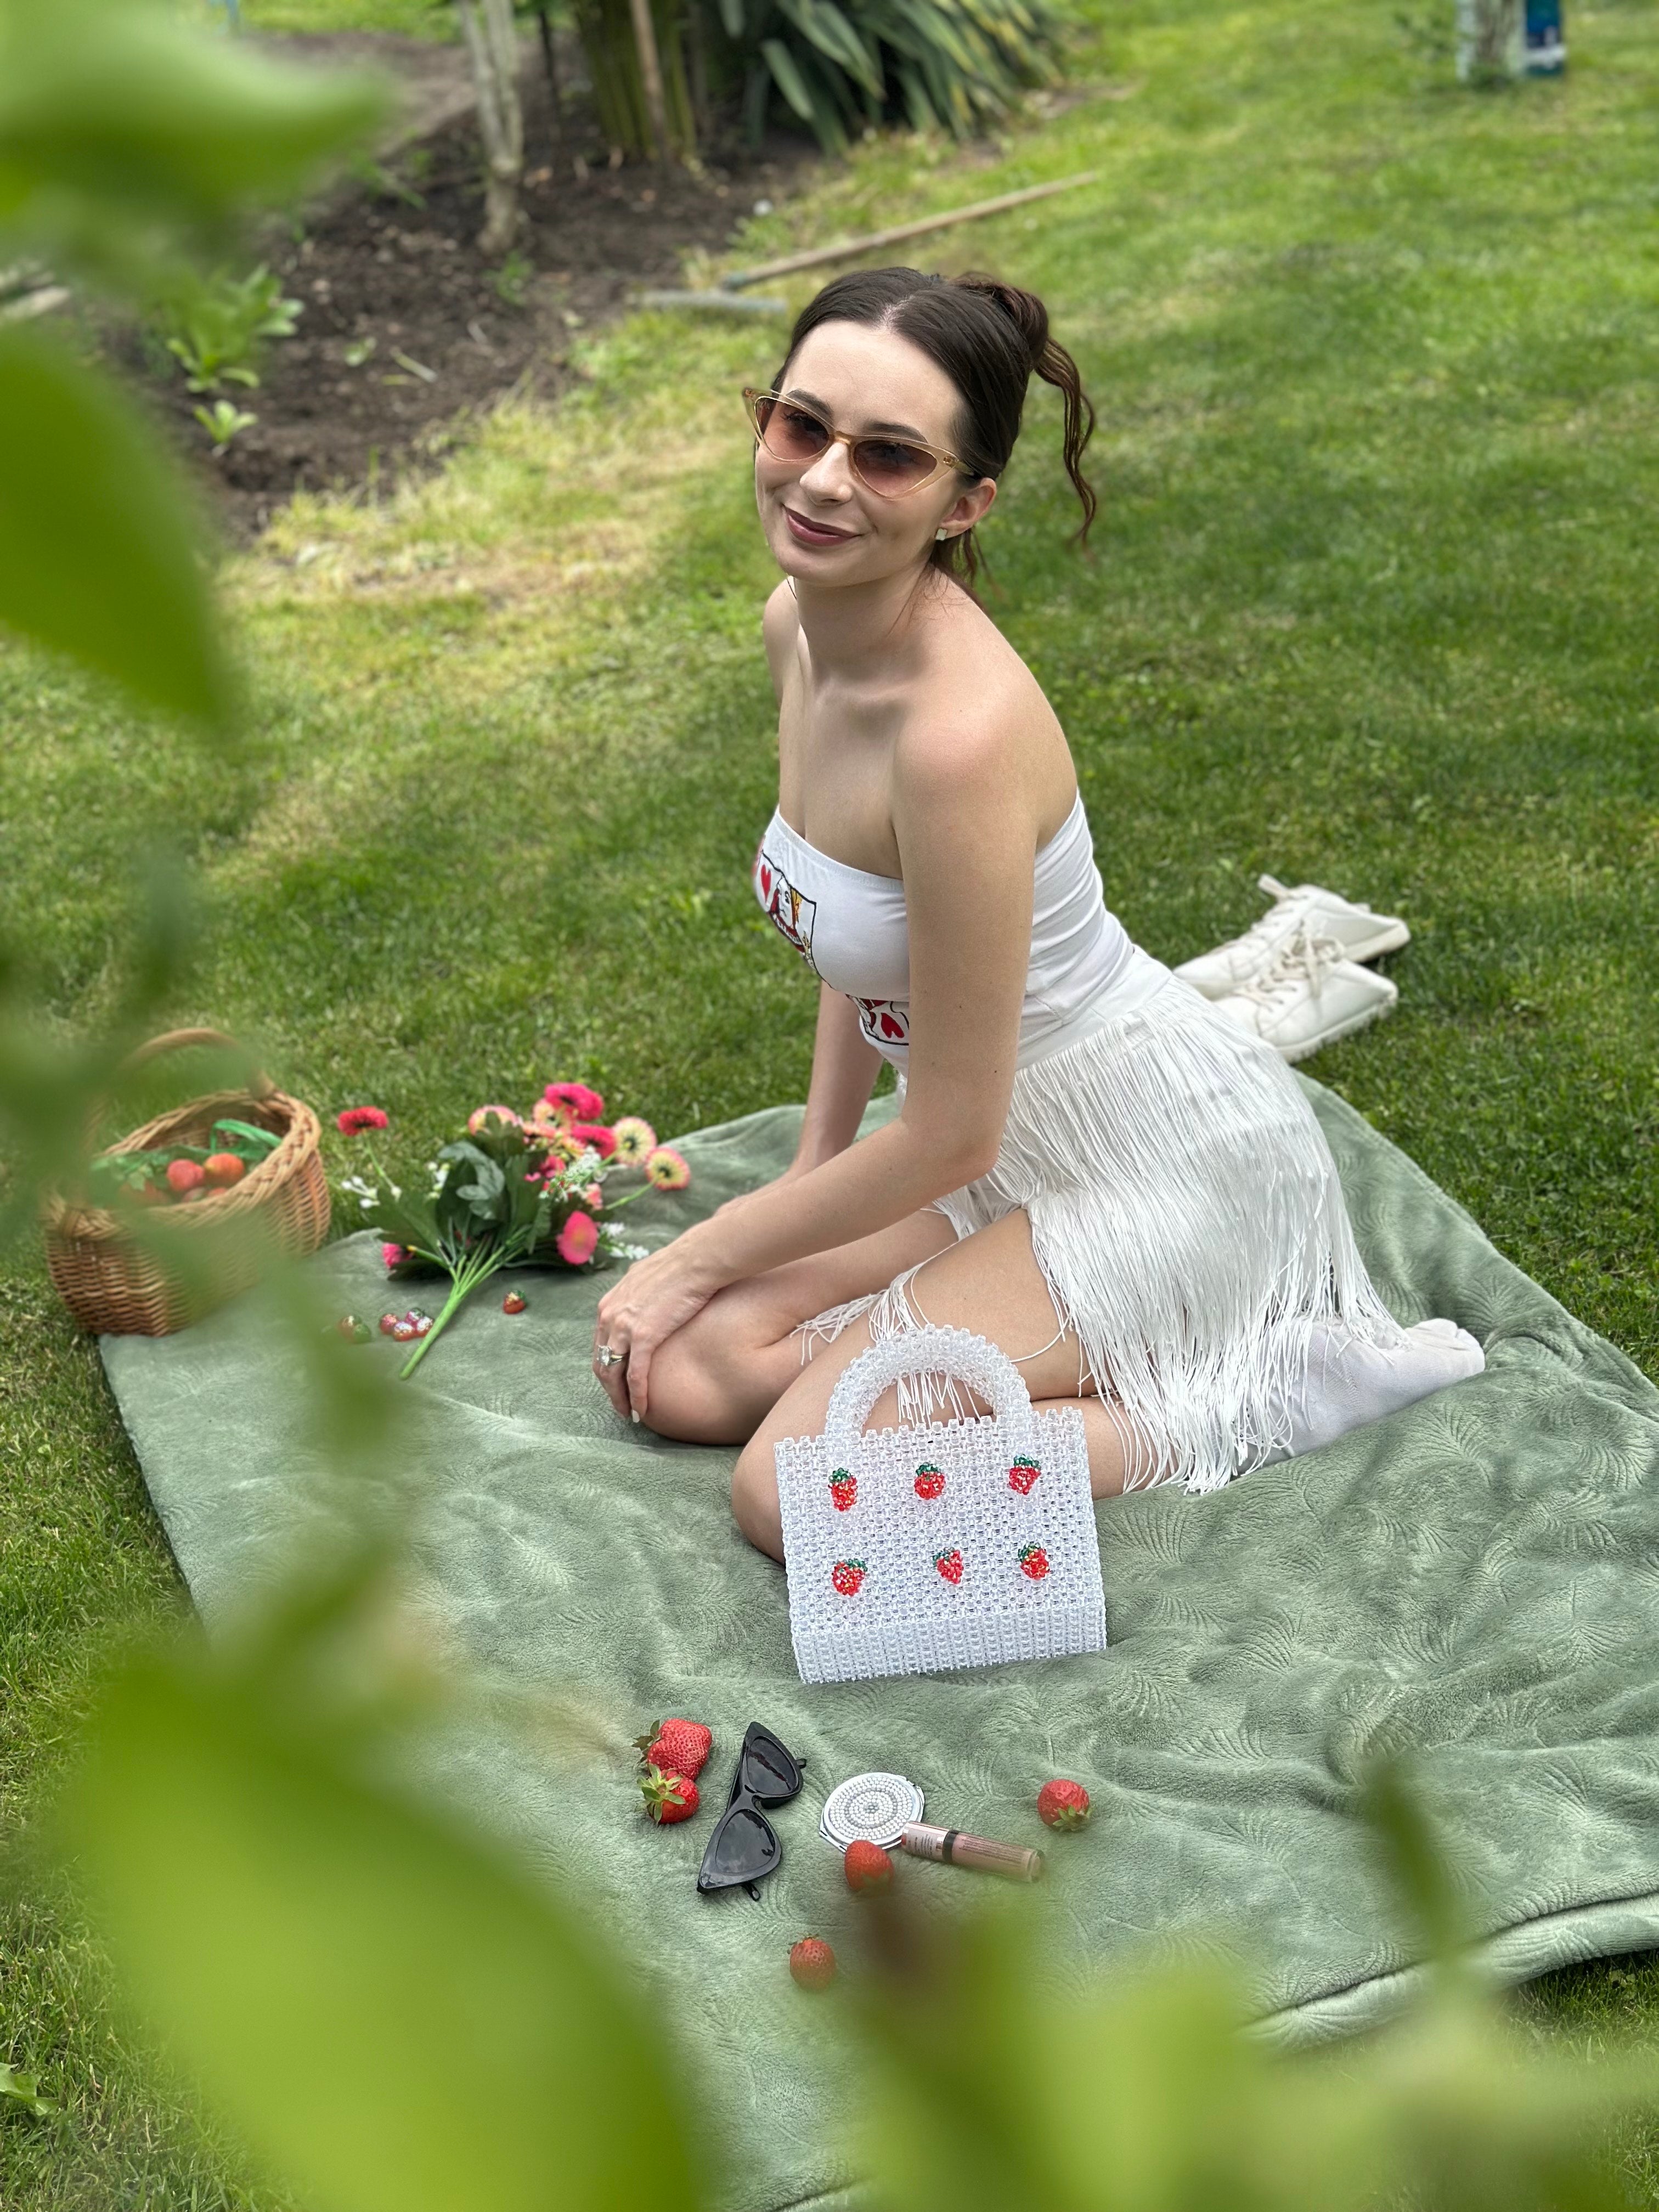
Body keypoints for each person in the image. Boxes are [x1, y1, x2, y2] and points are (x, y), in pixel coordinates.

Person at [590, 266, 1483, 1560]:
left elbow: (949, 1128)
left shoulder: (955, 742)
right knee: (684, 1375)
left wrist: (702, 1252)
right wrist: (813, 1171)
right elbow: (863, 946)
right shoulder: (800, 628)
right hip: (1004, 1152)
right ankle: (1038, 1355)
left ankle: (1276, 1387)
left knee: (792, 1494)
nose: (824, 480)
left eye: (889, 455)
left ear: (966, 501)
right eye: (802, 424)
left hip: (1161, 1168)